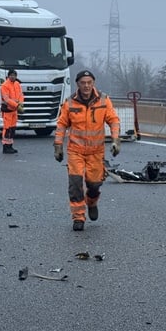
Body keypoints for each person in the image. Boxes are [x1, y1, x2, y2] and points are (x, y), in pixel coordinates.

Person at [54, 70, 120, 231]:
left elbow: (113, 120)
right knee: (75, 184)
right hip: (75, 151)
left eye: (89, 82)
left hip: (96, 152)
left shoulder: (103, 100)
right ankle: (78, 217)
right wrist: (58, 145)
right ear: (78, 84)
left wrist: (116, 140)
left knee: (94, 184)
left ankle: (92, 202)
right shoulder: (70, 103)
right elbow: (62, 124)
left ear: (93, 83)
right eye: (83, 83)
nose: (86, 86)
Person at [0, 68, 24, 154]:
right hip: (7, 110)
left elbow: (21, 94)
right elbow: (6, 99)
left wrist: (21, 103)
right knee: (7, 129)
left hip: (14, 110)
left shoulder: (17, 84)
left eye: (14, 75)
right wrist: (17, 105)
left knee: (12, 129)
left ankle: (10, 145)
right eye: (11, 75)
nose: (13, 77)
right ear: (8, 76)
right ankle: (5, 147)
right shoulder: (4, 86)